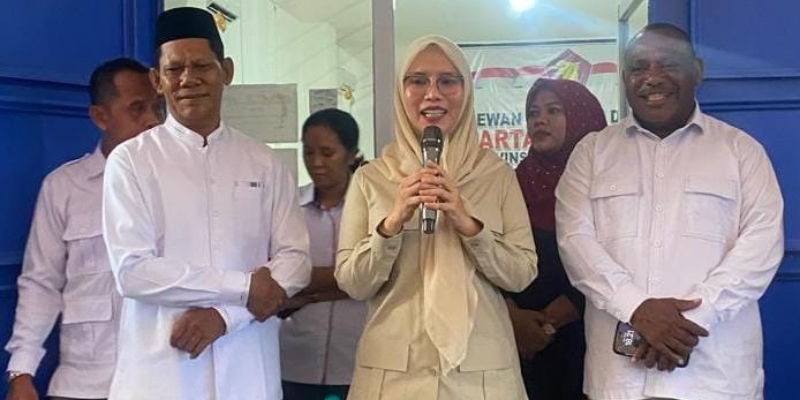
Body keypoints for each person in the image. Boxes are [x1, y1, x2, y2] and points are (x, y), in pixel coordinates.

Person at [555, 23, 784, 400]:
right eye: (639, 67)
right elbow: (575, 242)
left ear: (698, 71)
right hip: (620, 381)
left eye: (668, 64)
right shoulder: (591, 154)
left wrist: (687, 322)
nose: (652, 77)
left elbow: (761, 246)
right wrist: (636, 308)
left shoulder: (741, 152)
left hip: (716, 378)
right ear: (625, 78)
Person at [101, 7, 311, 400]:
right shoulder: (131, 162)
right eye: (174, 69)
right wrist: (244, 287)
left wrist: (226, 317)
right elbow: (133, 271)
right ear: (156, 80)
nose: (188, 79)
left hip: (248, 370)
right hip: (162, 377)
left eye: (201, 66)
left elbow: (295, 260)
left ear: (226, 71)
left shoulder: (263, 162)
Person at [335, 35, 538, 400]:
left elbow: (521, 275)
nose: (433, 94)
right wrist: (391, 224)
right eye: (417, 81)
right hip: (393, 378)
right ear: (401, 92)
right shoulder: (371, 178)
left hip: (482, 377)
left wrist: (470, 226)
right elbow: (353, 283)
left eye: (447, 81)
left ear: (466, 92)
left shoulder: (496, 176)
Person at [4, 57, 162, 400]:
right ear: (101, 117)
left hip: (163, 380)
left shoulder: (178, 186)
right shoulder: (64, 187)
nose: (152, 120)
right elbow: (41, 283)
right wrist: (22, 370)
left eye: (157, 108)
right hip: (85, 383)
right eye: (137, 108)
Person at [509, 78, 607, 400]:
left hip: (585, 333)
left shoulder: (606, 185)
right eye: (533, 113)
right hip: (516, 339)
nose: (540, 120)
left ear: (581, 117)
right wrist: (513, 318)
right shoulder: (511, 183)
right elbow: (490, 254)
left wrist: (550, 323)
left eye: (553, 111)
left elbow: (618, 255)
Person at [279, 108, 368, 400]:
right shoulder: (289, 207)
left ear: (351, 154)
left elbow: (380, 277)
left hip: (356, 361)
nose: (316, 163)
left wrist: (310, 288)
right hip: (295, 360)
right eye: (309, 152)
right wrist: (349, 281)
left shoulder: (374, 209)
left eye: (327, 153)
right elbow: (277, 278)